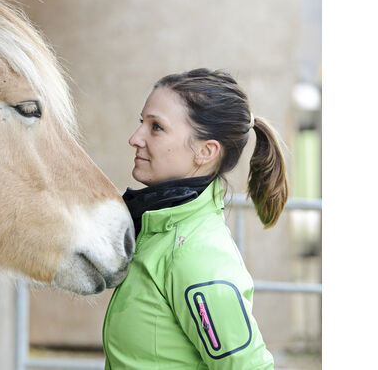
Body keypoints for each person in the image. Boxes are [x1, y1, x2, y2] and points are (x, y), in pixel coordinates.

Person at [102, 68, 287, 369]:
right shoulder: (160, 231)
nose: (135, 138)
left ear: (205, 151)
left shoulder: (194, 255)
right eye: (142, 123)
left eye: (156, 127)